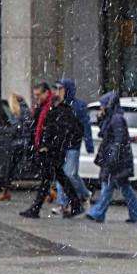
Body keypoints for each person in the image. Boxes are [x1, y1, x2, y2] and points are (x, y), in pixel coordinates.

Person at [20, 82, 84, 218]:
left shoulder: (55, 107)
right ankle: (76, 204)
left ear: (46, 93)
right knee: (58, 177)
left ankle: (36, 209)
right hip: (49, 149)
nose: (37, 98)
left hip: (52, 150)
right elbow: (39, 126)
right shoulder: (45, 107)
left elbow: (57, 128)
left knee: (48, 178)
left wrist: (47, 145)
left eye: (38, 95)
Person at [85, 92, 137, 224]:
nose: (101, 108)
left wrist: (113, 157)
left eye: (102, 106)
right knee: (123, 187)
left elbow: (119, 140)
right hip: (116, 158)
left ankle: (98, 212)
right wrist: (101, 118)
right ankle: (136, 212)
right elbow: (104, 133)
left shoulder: (117, 119)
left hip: (117, 160)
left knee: (108, 184)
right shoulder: (111, 118)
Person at [53, 78, 94, 212]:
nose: (58, 92)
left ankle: (84, 194)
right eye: (57, 89)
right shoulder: (58, 105)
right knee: (62, 174)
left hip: (72, 145)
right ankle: (62, 203)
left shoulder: (78, 106)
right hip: (61, 145)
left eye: (61, 89)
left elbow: (85, 125)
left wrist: (89, 143)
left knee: (70, 174)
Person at [0, 93, 34, 201]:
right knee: (14, 168)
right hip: (22, 143)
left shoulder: (20, 112)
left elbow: (21, 127)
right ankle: (6, 191)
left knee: (11, 168)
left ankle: (6, 191)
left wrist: (14, 129)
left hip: (20, 143)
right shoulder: (24, 111)